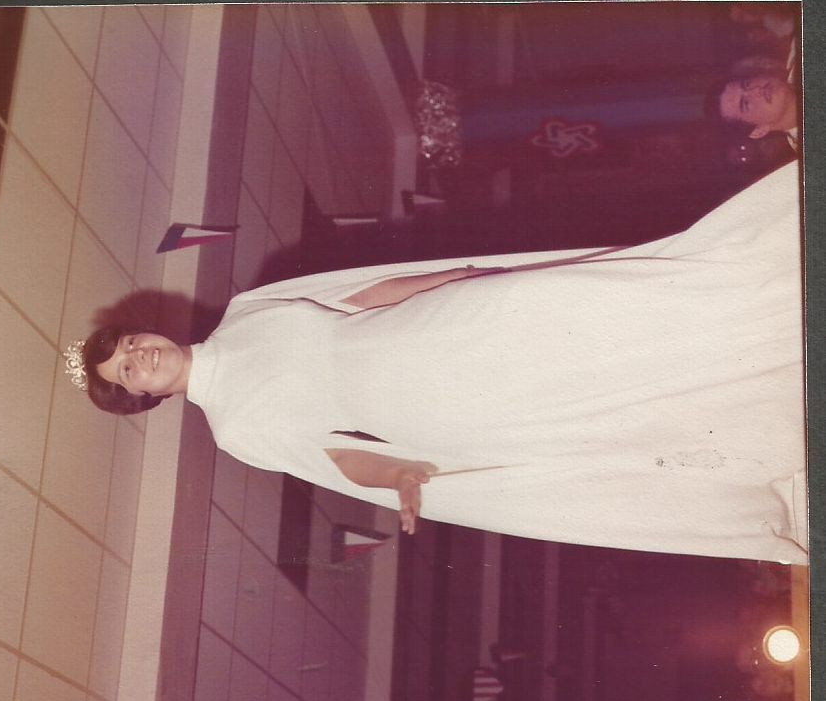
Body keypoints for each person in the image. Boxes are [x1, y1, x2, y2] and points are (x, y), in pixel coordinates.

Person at [69, 161, 807, 564]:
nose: (139, 357)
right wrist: (397, 476)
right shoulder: (235, 429)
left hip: (436, 326)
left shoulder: (247, 310)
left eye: (130, 345)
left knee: (587, 305)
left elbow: (363, 296)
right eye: (128, 372)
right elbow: (335, 459)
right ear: (145, 397)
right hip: (436, 408)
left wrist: (458, 278)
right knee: (592, 395)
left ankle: (762, 310)